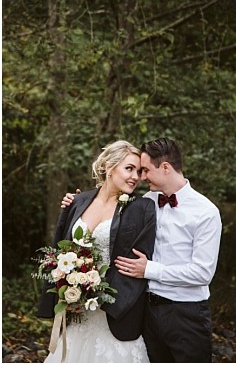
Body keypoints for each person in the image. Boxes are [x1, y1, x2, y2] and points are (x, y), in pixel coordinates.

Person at [63, 138, 222, 362]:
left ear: (165, 167)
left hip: (187, 315)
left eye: (145, 170)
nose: (141, 177)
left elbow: (203, 273)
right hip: (146, 313)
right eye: (137, 170)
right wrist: (77, 201)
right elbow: (105, 207)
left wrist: (149, 269)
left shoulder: (206, 212)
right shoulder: (144, 201)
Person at [38, 140, 156, 363]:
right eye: (129, 168)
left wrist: (99, 297)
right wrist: (67, 289)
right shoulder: (77, 201)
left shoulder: (141, 208)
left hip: (115, 314)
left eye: (139, 171)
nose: (135, 177)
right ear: (108, 167)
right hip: (77, 311)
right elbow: (59, 250)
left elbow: (135, 262)